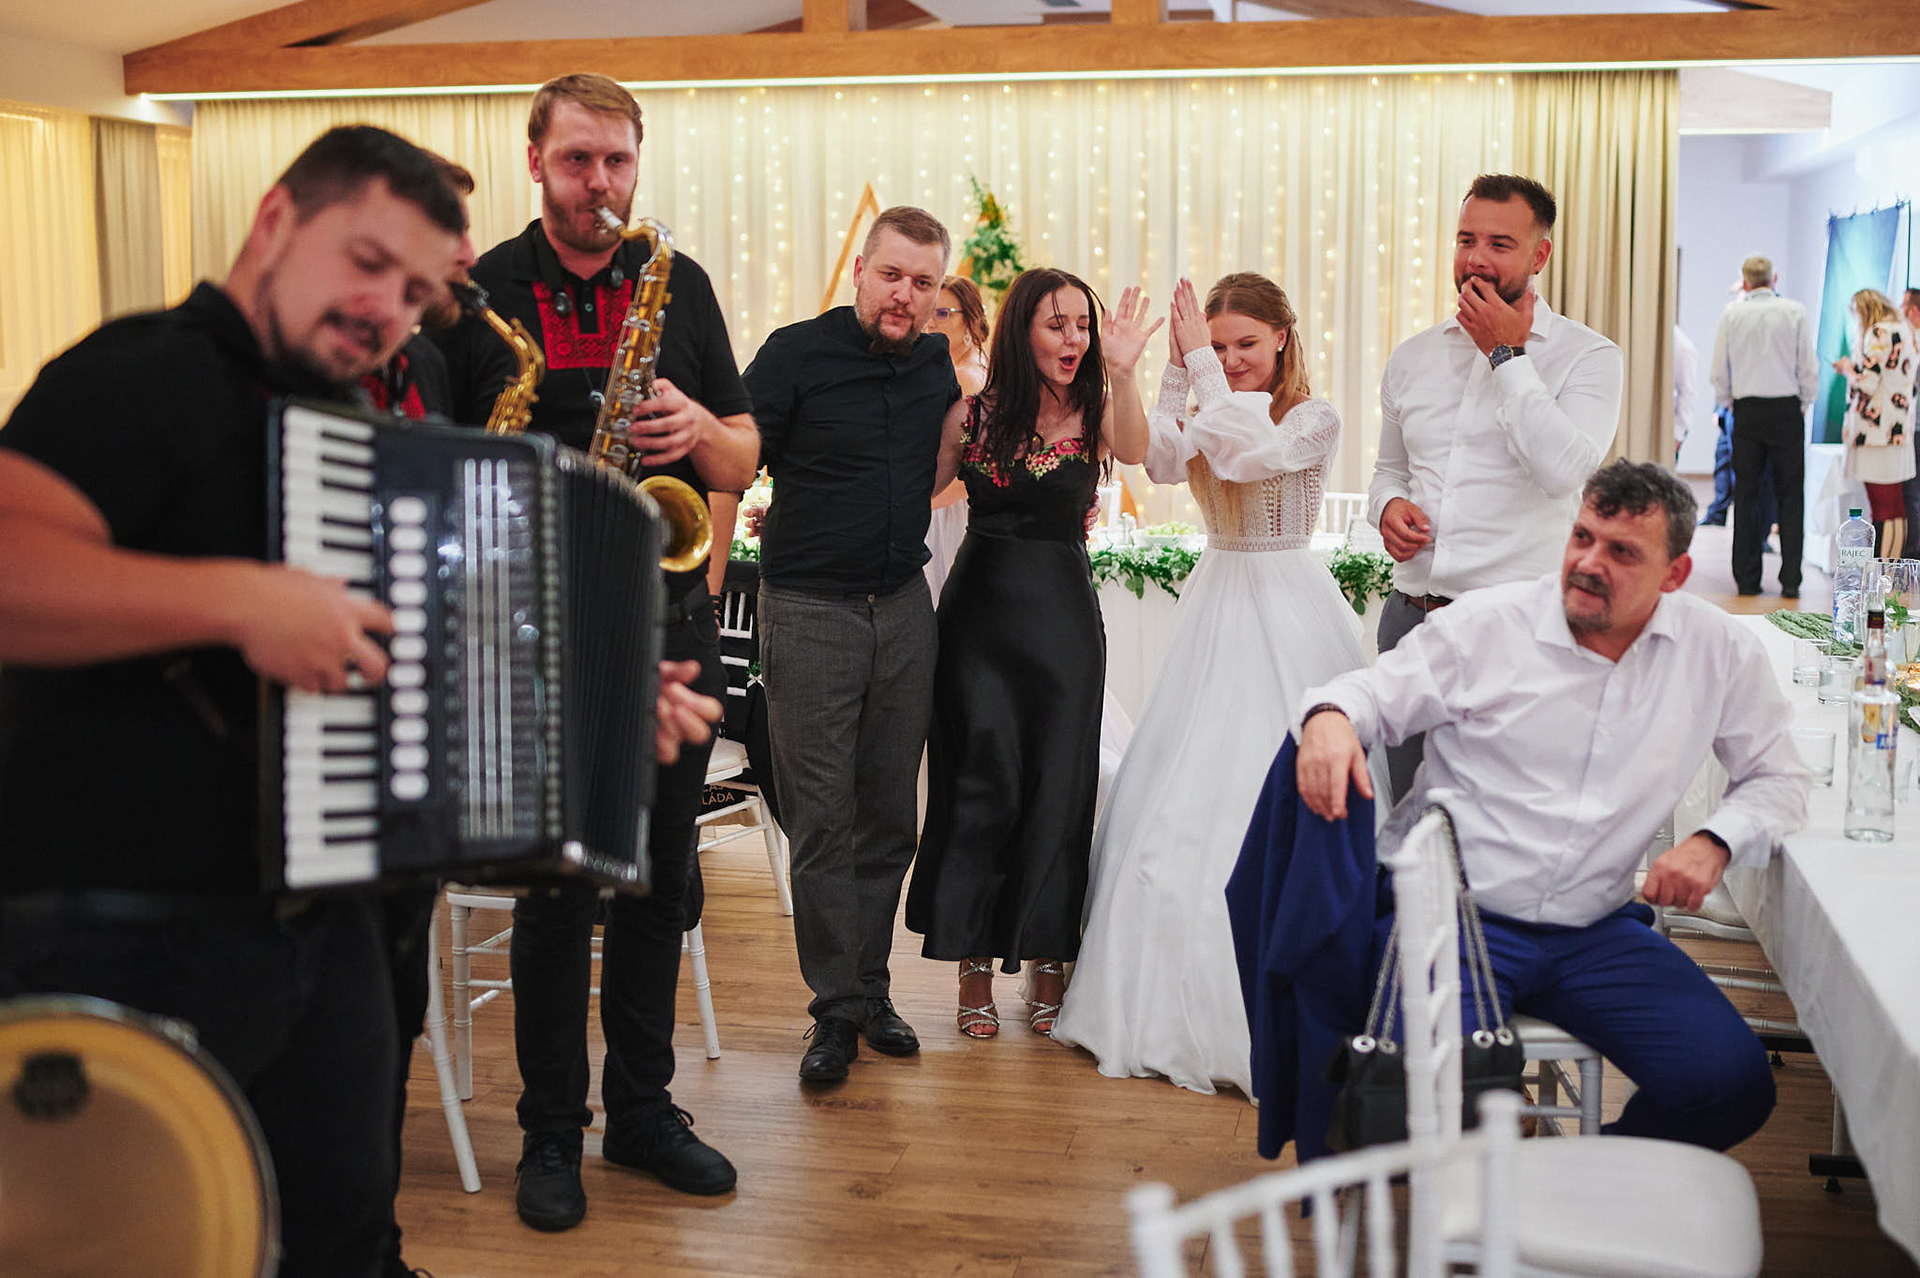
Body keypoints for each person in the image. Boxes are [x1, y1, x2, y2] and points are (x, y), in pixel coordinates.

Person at [0, 125, 465, 1278]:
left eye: (414, 293)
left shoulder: (346, 430)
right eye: (367, 261)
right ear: (274, 220)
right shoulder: (137, 372)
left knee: (345, 1235)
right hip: (124, 931)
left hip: (323, 928)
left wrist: (594, 708)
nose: (387, 309)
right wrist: (238, 601)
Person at [430, 72, 760, 1230]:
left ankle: (644, 1111)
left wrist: (704, 428)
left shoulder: (678, 282)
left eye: (618, 160)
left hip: (665, 629)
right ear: (534, 160)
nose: (601, 183)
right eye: (578, 159)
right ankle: (550, 1131)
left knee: (659, 881)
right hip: (535, 637)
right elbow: (438, 475)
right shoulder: (480, 297)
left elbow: (743, 456)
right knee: (558, 897)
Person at [1295, 459, 1808, 1151]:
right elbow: (1368, 694)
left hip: (1593, 931)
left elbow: (1780, 778)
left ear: (1675, 574)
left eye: (1622, 552)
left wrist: (1715, 840)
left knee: (1730, 1085)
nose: (1589, 564)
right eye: (1583, 537)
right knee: (1448, 1105)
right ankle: (1494, 1157)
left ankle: (1582, 1182)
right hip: (1454, 920)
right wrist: (1329, 718)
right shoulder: (1490, 624)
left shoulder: (1717, 652)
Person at [1051, 272, 1382, 1093]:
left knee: (1276, 780)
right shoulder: (1209, 400)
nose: (1230, 360)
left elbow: (1249, 453)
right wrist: (1150, 371)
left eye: (1246, 345)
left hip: (1289, 600)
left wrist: (1199, 361)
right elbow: (1156, 458)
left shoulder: (1313, 417)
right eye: (1220, 345)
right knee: (1180, 787)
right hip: (1218, 598)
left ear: (1283, 338)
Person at [741, 205, 969, 1085]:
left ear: (938, 292)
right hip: (807, 611)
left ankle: (871, 989)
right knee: (821, 819)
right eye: (892, 275)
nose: (904, 295)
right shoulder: (793, 354)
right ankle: (835, 1009)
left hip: (905, 610)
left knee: (887, 815)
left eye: (923, 283)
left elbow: (946, 466)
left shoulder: (935, 366)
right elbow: (737, 454)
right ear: (861, 271)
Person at [906, 267, 1159, 1039]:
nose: (1074, 338)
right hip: (977, 623)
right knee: (978, 785)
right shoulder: (971, 415)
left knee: (1060, 785)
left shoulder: (1099, 408)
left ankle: (1051, 961)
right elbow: (915, 494)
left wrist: (1125, 370)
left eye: (1083, 325)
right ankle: (973, 967)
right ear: (1023, 331)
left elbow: (1139, 450)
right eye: (1058, 324)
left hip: (1064, 627)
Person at [1368, 173, 1623, 800]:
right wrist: (1388, 507)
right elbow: (1389, 471)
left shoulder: (1589, 357)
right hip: (1412, 623)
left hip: (1521, 635)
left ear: (1540, 255)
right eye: (1466, 240)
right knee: (1407, 825)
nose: (1476, 258)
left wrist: (1507, 356)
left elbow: (1564, 471)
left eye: (1500, 244)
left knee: (1511, 822)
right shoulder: (1412, 357)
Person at [1710, 254, 1819, 598]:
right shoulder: (1795, 312)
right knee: (1791, 495)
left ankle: (1747, 579)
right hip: (1786, 409)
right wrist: (1804, 401)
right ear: (1775, 279)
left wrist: (1730, 403)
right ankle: (1791, 580)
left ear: (1745, 283)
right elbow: (1808, 366)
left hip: (1747, 410)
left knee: (1746, 495)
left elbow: (1719, 369)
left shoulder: (1732, 314)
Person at [1831, 288, 1916, 557]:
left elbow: (1867, 382)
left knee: (1883, 507)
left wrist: (1847, 369)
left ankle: (1884, 569)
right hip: (1898, 429)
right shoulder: (1907, 331)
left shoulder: (1879, 332)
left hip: (1875, 433)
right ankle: (1892, 568)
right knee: (1895, 507)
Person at [924, 274, 991, 599]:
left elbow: (975, 471)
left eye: (942, 313)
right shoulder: (964, 368)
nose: (930, 322)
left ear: (971, 321)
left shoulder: (966, 378)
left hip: (950, 513)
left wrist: (917, 505)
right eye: (928, 312)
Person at [1903, 288, 1920, 559]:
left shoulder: (1912, 343)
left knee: (1912, 495)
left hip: (1915, 428)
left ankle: (1912, 557)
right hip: (1913, 427)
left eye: (1903, 306)